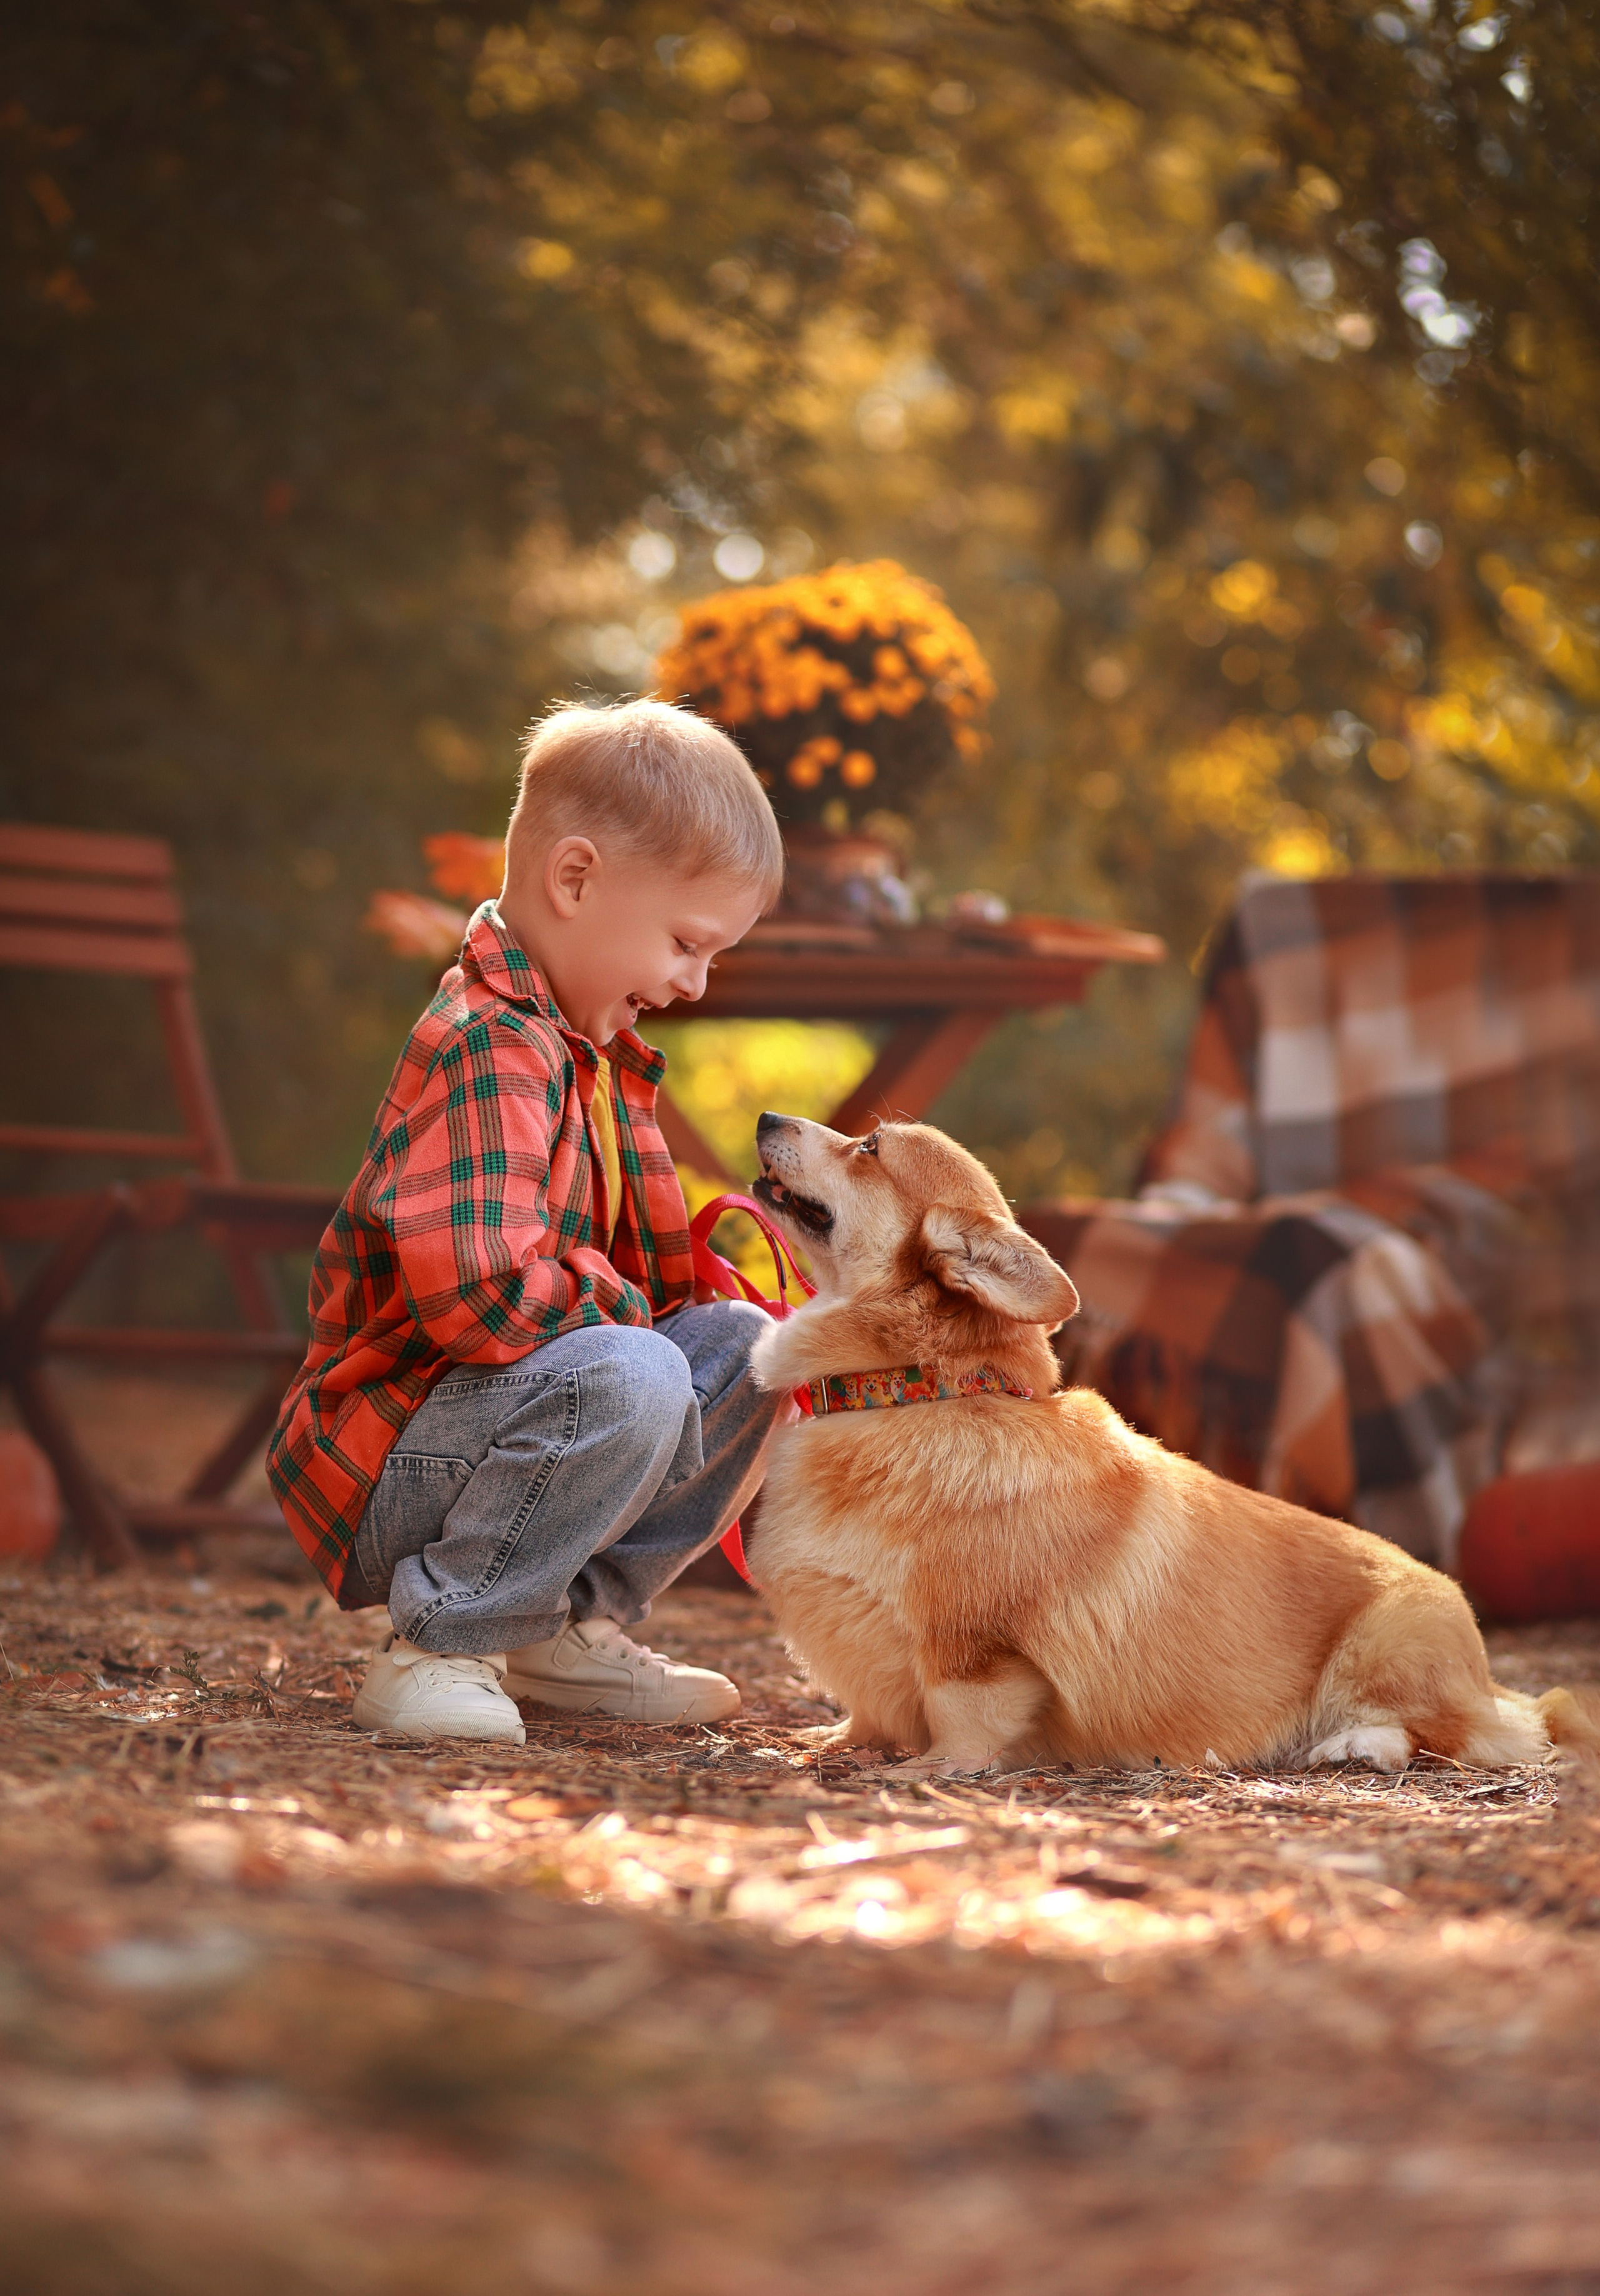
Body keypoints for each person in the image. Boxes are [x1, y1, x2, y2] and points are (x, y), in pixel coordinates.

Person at [268, 698, 786, 1745]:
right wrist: (630, 1314)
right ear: (576, 879)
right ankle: (443, 1640)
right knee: (636, 1371)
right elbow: (482, 1296)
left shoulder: (589, 1054)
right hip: (393, 1459)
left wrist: (679, 1310)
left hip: (498, 1434)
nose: (695, 982)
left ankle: (557, 1625)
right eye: (687, 944)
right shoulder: (491, 1045)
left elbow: (650, 1299)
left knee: (752, 1350)